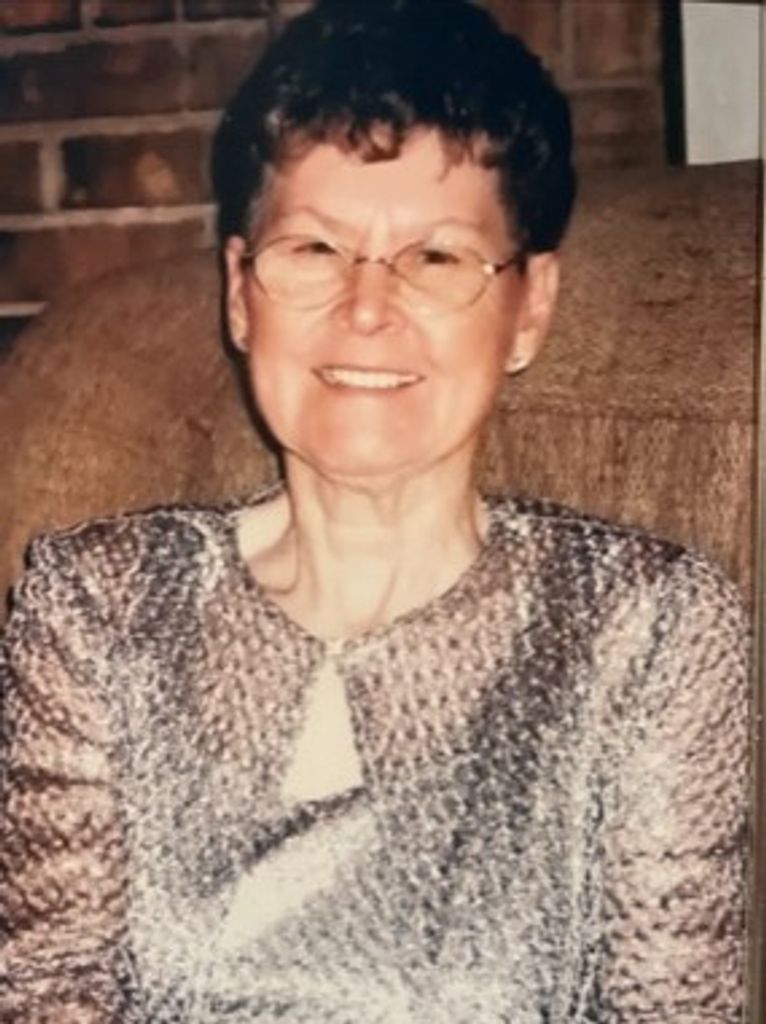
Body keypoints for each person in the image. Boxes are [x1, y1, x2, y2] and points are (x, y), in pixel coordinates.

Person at [0, 1, 749, 1021]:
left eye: (436, 258)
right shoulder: (97, 605)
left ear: (529, 309)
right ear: (240, 293)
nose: (364, 309)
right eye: (314, 249)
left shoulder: (649, 630)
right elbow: (45, 993)